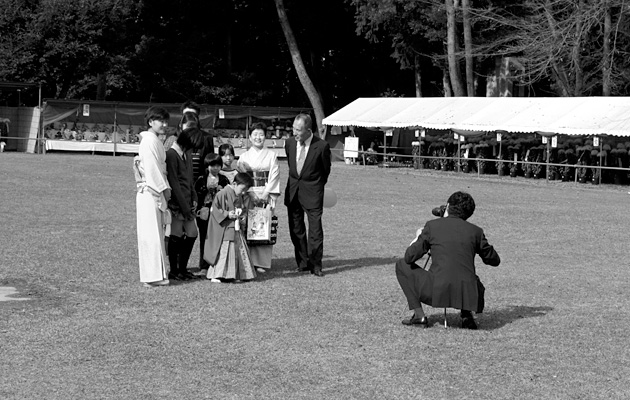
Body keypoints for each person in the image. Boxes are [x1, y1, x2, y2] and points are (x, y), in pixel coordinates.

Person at [395, 191, 501, 329]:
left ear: (448, 206)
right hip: (468, 296)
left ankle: (419, 315)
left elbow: (409, 257)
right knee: (468, 275)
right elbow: (494, 260)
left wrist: (419, 236)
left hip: (436, 291)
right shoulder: (476, 232)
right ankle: (466, 315)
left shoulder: (432, 226)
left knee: (401, 264)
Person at [284, 114, 331, 277]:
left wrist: (316, 187)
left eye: (298, 130)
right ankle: (302, 262)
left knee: (315, 230)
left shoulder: (322, 146)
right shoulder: (289, 143)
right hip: (293, 192)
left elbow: (325, 171)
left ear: (308, 130)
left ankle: (315, 264)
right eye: (293, 129)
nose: (295, 133)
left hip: (313, 193)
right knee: (296, 229)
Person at [133, 106, 172, 287]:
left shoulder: (153, 140)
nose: (164, 124)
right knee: (150, 234)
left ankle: (157, 273)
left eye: (166, 121)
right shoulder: (148, 142)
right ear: (151, 122)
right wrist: (164, 189)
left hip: (154, 187)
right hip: (150, 190)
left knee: (157, 232)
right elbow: (152, 169)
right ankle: (151, 276)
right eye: (160, 121)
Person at [237, 122, 281, 273]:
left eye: (261, 134)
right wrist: (251, 192)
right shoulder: (243, 157)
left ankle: (261, 262)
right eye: (255, 134)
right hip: (250, 193)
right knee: (248, 225)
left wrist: (265, 193)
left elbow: (274, 175)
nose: (258, 137)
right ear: (249, 137)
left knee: (264, 224)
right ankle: (248, 260)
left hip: (265, 192)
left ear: (266, 137)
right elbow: (242, 178)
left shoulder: (272, 155)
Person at [165, 127, 204, 281]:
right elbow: (174, 183)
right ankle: (174, 270)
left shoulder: (186, 154)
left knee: (192, 233)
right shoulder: (172, 155)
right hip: (177, 203)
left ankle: (182, 268)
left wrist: (194, 197)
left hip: (187, 201)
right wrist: (185, 207)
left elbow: (189, 179)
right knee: (176, 235)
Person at [204, 172, 256, 282]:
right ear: (234, 183)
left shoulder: (238, 195)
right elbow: (214, 209)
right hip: (225, 227)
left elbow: (242, 208)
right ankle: (216, 275)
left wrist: (241, 214)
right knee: (224, 251)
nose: (243, 192)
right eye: (242, 189)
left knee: (236, 251)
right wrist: (227, 214)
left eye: (246, 190)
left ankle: (234, 275)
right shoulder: (222, 193)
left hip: (235, 227)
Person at [193, 153, 230, 276]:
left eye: (218, 165)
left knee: (219, 237)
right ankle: (204, 265)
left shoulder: (224, 179)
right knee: (205, 238)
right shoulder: (201, 179)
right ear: (207, 166)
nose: (215, 168)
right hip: (204, 213)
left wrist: (220, 190)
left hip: (219, 213)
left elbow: (228, 196)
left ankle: (218, 264)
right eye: (212, 165)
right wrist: (207, 190)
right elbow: (197, 195)